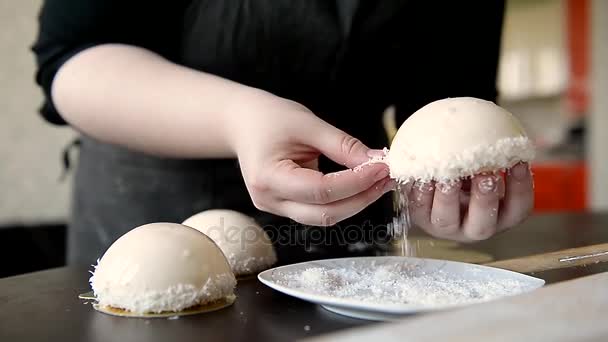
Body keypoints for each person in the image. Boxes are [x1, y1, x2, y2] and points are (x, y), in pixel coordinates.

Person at [32, 0, 533, 266]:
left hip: (351, 235)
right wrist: (235, 117)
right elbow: (72, 59)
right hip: (153, 217)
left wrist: (452, 197)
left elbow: (447, 110)